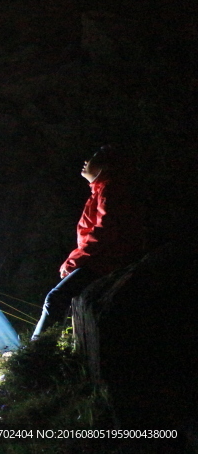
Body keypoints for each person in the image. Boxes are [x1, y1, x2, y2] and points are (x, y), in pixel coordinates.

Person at [31, 145, 146, 340]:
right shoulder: (101, 190)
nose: (86, 161)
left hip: (106, 261)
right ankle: (46, 350)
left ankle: (33, 358)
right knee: (63, 300)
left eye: (94, 157)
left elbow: (103, 232)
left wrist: (75, 261)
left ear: (105, 166)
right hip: (101, 259)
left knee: (55, 298)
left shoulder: (110, 190)